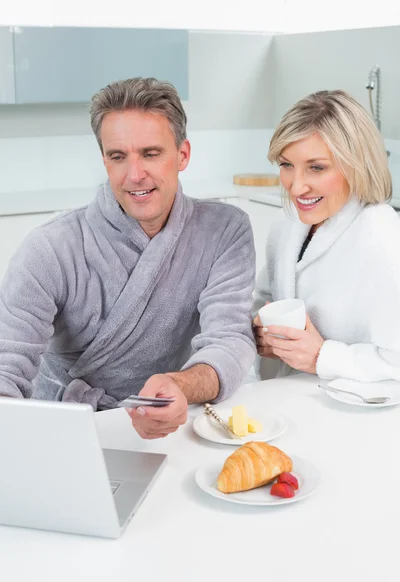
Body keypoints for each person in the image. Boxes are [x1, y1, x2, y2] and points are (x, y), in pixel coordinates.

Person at [0, 77, 256, 439]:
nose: (134, 175)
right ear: (104, 160)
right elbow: (6, 366)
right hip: (69, 429)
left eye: (150, 153)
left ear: (182, 155)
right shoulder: (49, 249)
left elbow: (229, 340)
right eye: (118, 156)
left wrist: (180, 385)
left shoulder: (224, 231)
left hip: (174, 424)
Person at [253, 89, 400, 382]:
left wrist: (323, 357)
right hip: (294, 403)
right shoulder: (287, 226)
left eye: (316, 168)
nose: (296, 188)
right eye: (286, 165)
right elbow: (265, 299)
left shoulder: (382, 239)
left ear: (356, 165)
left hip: (359, 416)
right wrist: (258, 332)